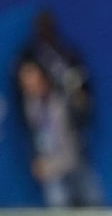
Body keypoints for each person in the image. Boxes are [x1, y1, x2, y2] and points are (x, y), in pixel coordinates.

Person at [16, 59, 103, 207]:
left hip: (74, 159)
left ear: (42, 77)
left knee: (93, 203)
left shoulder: (61, 97)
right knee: (59, 206)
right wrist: (36, 158)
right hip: (52, 165)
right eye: (25, 82)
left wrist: (78, 98)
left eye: (31, 78)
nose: (29, 85)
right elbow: (34, 134)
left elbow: (82, 116)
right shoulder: (29, 105)